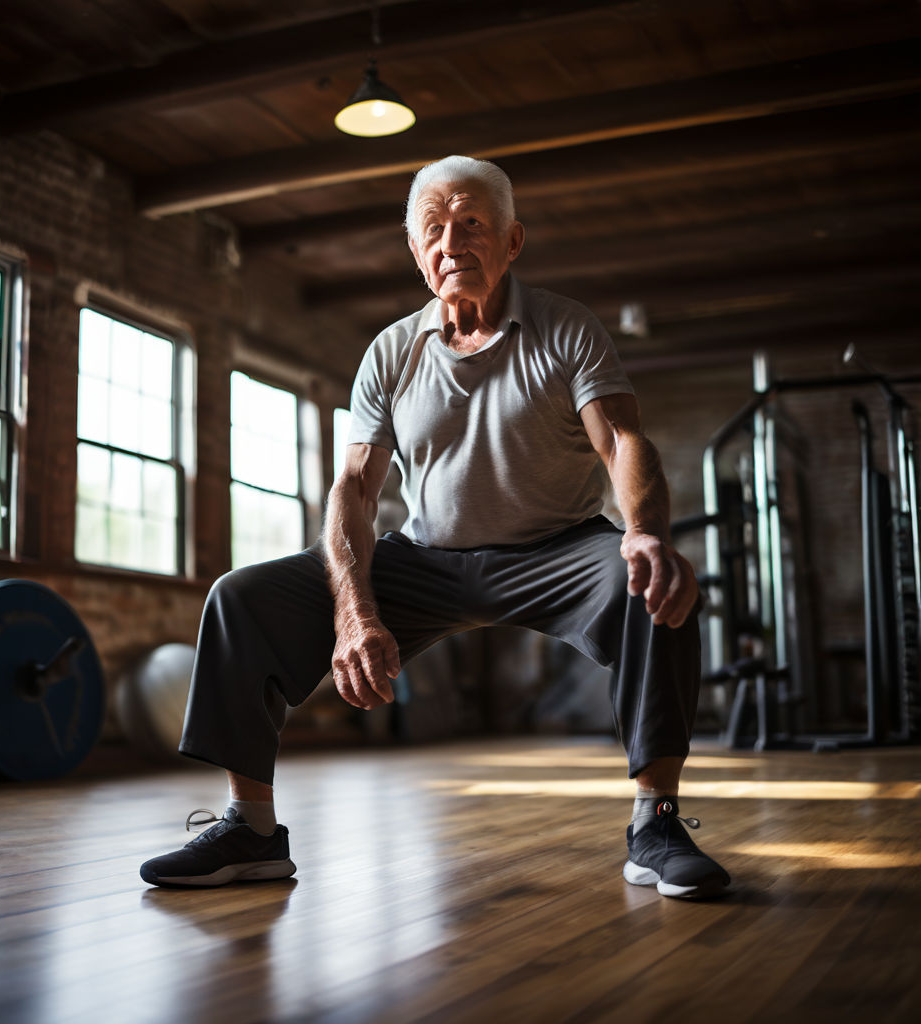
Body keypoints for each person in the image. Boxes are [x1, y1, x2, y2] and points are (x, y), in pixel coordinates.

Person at [140, 155, 730, 900]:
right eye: (434, 230)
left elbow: (621, 442)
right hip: (426, 559)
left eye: (472, 224)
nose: (452, 242)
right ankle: (251, 830)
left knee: (653, 581)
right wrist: (354, 611)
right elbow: (353, 488)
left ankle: (657, 822)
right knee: (241, 598)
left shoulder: (566, 328)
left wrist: (643, 531)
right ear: (417, 253)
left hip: (559, 549)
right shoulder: (391, 352)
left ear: (512, 241)